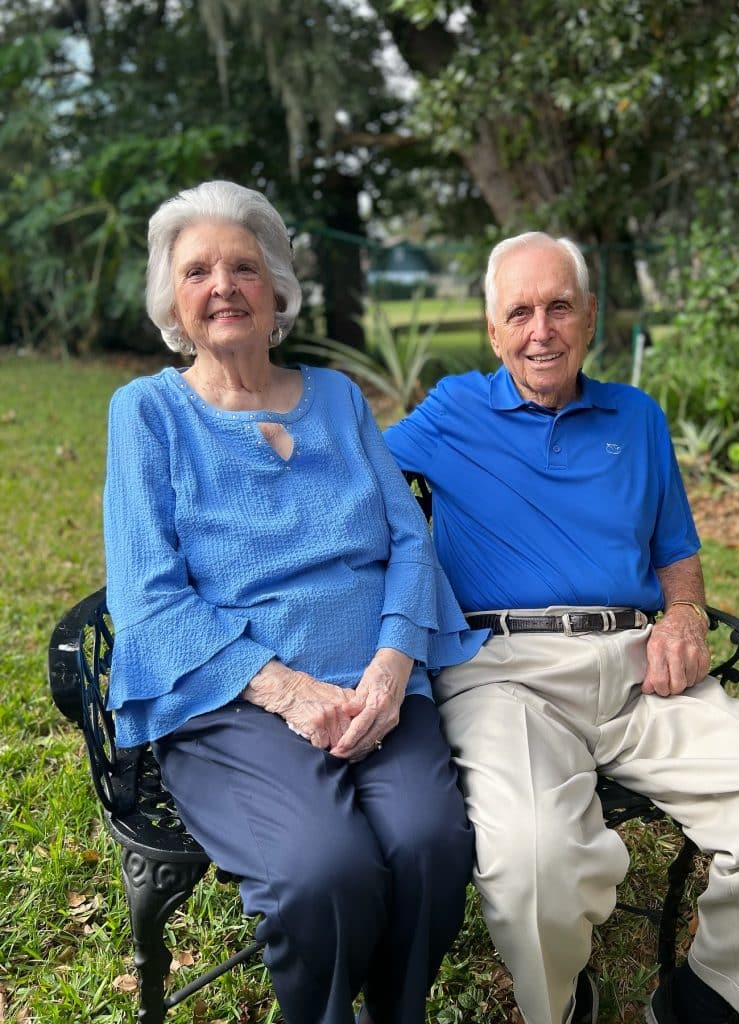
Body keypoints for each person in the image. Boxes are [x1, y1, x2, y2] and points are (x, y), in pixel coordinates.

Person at [384, 231, 739, 1024]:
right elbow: (344, 481)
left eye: (558, 307)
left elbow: (676, 553)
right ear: (492, 330)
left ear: (590, 317)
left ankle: (708, 1001)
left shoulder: (637, 417)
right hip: (501, 671)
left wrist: (683, 612)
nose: (539, 330)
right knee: (532, 860)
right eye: (519, 312)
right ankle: (563, 1002)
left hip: (635, 666)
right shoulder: (451, 411)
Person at [103, 180, 488, 1024]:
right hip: (230, 698)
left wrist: (392, 664)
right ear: (172, 298)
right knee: (324, 871)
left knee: (430, 845)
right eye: (197, 270)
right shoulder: (147, 414)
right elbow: (146, 597)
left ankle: (396, 1009)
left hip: (376, 683)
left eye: (243, 266)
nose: (222, 286)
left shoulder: (341, 400)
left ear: (277, 288)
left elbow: (410, 541)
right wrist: (285, 689)